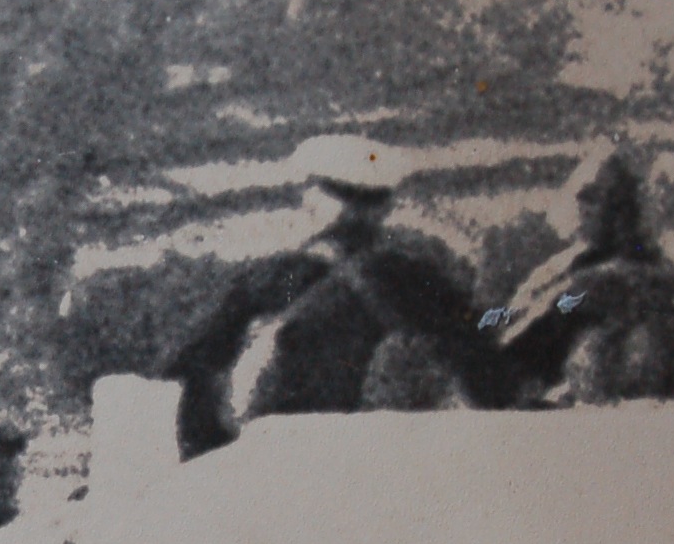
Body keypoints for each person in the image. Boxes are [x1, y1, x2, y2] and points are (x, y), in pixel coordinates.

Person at [166, 177, 493, 454]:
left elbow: (188, 358)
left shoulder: (271, 276)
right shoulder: (399, 273)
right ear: (382, 210)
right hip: (372, 444)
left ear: (313, 203)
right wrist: (508, 310)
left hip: (268, 444)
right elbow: (476, 324)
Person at [497, 149, 674, 405]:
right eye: (584, 197)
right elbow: (514, 330)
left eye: (610, 199)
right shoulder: (556, 270)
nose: (585, 207)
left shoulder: (653, 275)